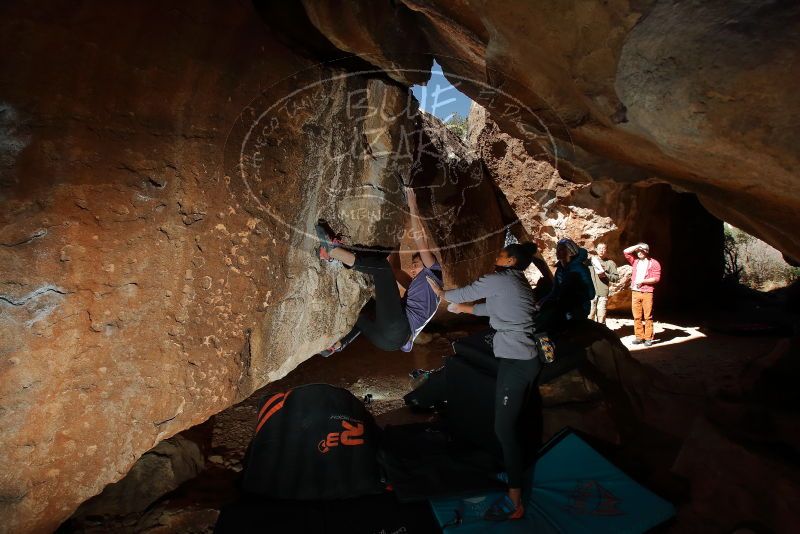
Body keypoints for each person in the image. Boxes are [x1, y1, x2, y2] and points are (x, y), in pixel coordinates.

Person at [427, 242, 540, 521]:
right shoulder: (515, 282)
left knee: (503, 428)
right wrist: (461, 309)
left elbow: (467, 292)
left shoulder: (499, 280)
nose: (497, 257)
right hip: (520, 358)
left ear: (512, 261)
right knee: (512, 422)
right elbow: (488, 308)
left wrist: (442, 293)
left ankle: (515, 500)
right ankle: (515, 469)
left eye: (502, 254)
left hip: (517, 363)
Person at [315, 187, 444, 356]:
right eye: (413, 264)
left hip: (397, 329)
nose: (412, 268)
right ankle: (338, 346)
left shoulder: (434, 270)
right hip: (388, 344)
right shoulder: (423, 288)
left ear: (427, 262)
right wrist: (395, 242)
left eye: (416, 262)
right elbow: (396, 270)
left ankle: (332, 251)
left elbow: (420, 240)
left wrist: (413, 206)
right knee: (364, 315)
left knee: (382, 269)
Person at [536, 238, 595, 329]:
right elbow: (555, 291)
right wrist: (541, 302)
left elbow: (591, 294)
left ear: (571, 252)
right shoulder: (560, 270)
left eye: (562, 249)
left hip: (577, 309)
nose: (557, 251)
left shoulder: (580, 269)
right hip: (562, 306)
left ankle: (545, 343)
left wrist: (569, 298)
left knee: (543, 324)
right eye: (557, 249)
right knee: (539, 318)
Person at [623, 242, 661, 346]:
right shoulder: (635, 262)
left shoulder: (654, 263)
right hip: (635, 291)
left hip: (647, 292)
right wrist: (637, 246)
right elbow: (625, 252)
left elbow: (656, 278)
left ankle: (648, 338)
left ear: (647, 251)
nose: (640, 252)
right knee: (636, 316)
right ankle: (639, 336)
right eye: (638, 251)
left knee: (648, 316)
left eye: (642, 250)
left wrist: (643, 281)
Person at [588, 243, 619, 325]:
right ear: (596, 250)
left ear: (606, 250)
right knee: (589, 316)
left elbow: (616, 278)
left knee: (601, 317)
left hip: (602, 293)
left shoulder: (610, 263)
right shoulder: (590, 261)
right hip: (590, 293)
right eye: (599, 248)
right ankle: (588, 336)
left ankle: (601, 336)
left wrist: (605, 275)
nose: (601, 250)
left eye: (604, 248)